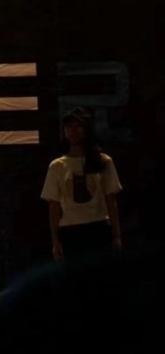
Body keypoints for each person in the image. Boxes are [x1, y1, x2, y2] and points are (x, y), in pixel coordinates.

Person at [41, 108, 123, 261]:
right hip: (71, 230)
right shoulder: (57, 166)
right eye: (69, 126)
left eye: (78, 126)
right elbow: (54, 205)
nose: (73, 131)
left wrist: (116, 235)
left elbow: (110, 200)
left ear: (87, 129)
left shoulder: (103, 161)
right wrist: (55, 241)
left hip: (98, 227)